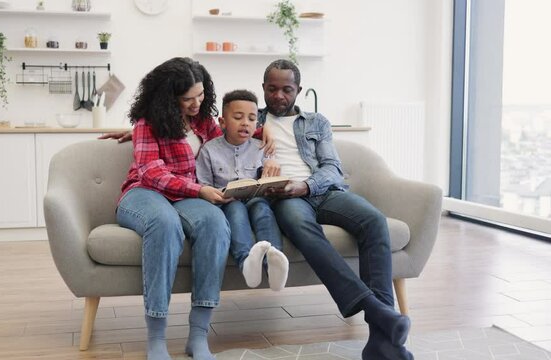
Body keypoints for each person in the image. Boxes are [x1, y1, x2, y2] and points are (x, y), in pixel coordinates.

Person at [259, 59, 413, 360]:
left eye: (286, 89)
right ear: (262, 88)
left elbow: (332, 168)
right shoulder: (251, 120)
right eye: (272, 89)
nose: (279, 96)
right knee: (301, 227)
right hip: (284, 197)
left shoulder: (317, 122)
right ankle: (380, 313)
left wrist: (305, 185)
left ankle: (382, 340)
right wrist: (139, 128)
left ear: (299, 90)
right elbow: (205, 125)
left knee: (374, 221)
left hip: (322, 191)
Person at [116, 57, 231, 360]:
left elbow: (231, 140)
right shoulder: (147, 124)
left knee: (215, 224)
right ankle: (156, 339)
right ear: (169, 97)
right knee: (165, 224)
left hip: (188, 195)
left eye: (201, 95)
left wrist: (264, 133)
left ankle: (198, 337)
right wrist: (199, 190)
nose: (196, 103)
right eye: (187, 98)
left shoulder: (203, 121)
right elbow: (152, 174)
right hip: (144, 193)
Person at [195, 89, 289, 291]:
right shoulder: (209, 150)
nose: (245, 122)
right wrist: (215, 194)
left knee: (263, 211)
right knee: (236, 212)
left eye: (251, 118)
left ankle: (274, 260)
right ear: (222, 122)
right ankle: (246, 261)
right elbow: (203, 184)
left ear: (257, 124)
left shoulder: (261, 147)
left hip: (256, 199)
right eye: (238, 117)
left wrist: (272, 172)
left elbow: (271, 177)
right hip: (227, 203)